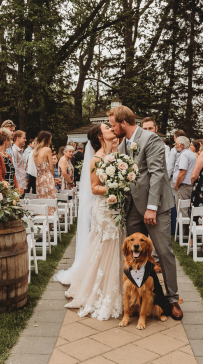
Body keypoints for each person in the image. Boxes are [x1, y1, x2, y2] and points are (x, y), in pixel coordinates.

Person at [110, 105, 182, 320]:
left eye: (114, 125)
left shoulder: (151, 139)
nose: (112, 129)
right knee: (135, 255)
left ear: (123, 123)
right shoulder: (122, 144)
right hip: (132, 207)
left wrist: (152, 207)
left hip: (155, 206)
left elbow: (157, 173)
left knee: (164, 252)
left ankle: (172, 299)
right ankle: (140, 298)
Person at [62, 124, 123, 320]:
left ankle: (114, 288)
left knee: (112, 247)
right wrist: (118, 187)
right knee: (104, 247)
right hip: (104, 209)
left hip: (115, 208)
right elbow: (95, 188)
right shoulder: (97, 158)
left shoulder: (114, 154)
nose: (111, 127)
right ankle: (101, 293)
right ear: (99, 135)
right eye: (107, 127)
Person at [33, 131, 56, 215]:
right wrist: (53, 178)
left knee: (41, 200)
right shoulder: (47, 150)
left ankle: (41, 223)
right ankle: (49, 225)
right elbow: (51, 167)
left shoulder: (35, 151)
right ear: (47, 139)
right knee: (50, 200)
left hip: (39, 179)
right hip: (47, 178)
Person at [173, 136, 196, 218]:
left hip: (183, 186)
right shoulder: (192, 154)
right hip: (189, 186)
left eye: (176, 144)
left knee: (182, 214)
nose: (175, 146)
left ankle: (183, 231)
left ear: (182, 145)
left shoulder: (184, 155)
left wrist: (176, 185)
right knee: (187, 213)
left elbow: (182, 172)